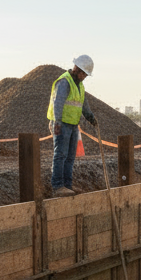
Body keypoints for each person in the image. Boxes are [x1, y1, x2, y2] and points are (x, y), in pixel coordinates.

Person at [47, 54, 98, 197]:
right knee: (60, 155)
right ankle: (58, 186)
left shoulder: (79, 85)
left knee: (70, 157)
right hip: (62, 124)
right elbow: (58, 103)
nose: (84, 77)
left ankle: (67, 185)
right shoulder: (65, 82)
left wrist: (90, 118)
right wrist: (56, 122)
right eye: (84, 74)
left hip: (73, 125)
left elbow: (83, 104)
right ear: (77, 69)